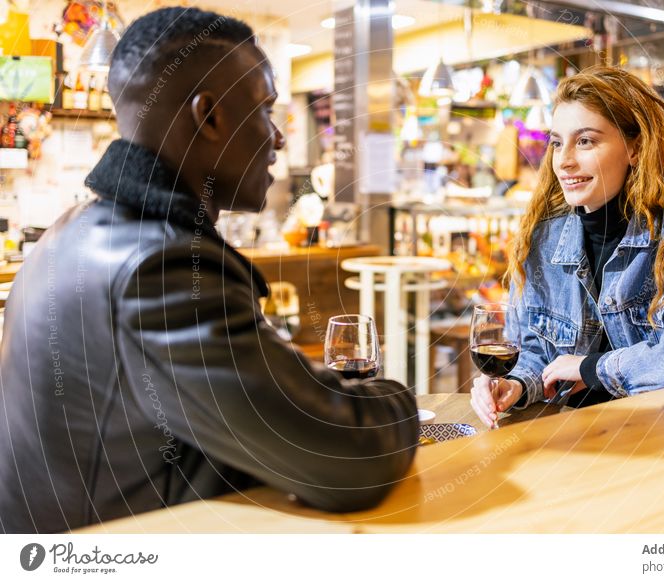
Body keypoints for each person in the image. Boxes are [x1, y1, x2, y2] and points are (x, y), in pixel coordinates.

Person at [0, 7, 418, 533]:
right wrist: (405, 406)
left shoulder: (68, 232)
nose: (280, 137)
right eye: (266, 109)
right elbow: (351, 456)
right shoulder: (162, 269)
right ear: (210, 116)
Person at [471, 66, 664, 427]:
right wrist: (516, 383)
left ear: (635, 148)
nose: (564, 161)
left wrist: (593, 368)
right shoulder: (543, 239)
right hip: (577, 444)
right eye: (558, 142)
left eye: (586, 141)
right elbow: (536, 351)